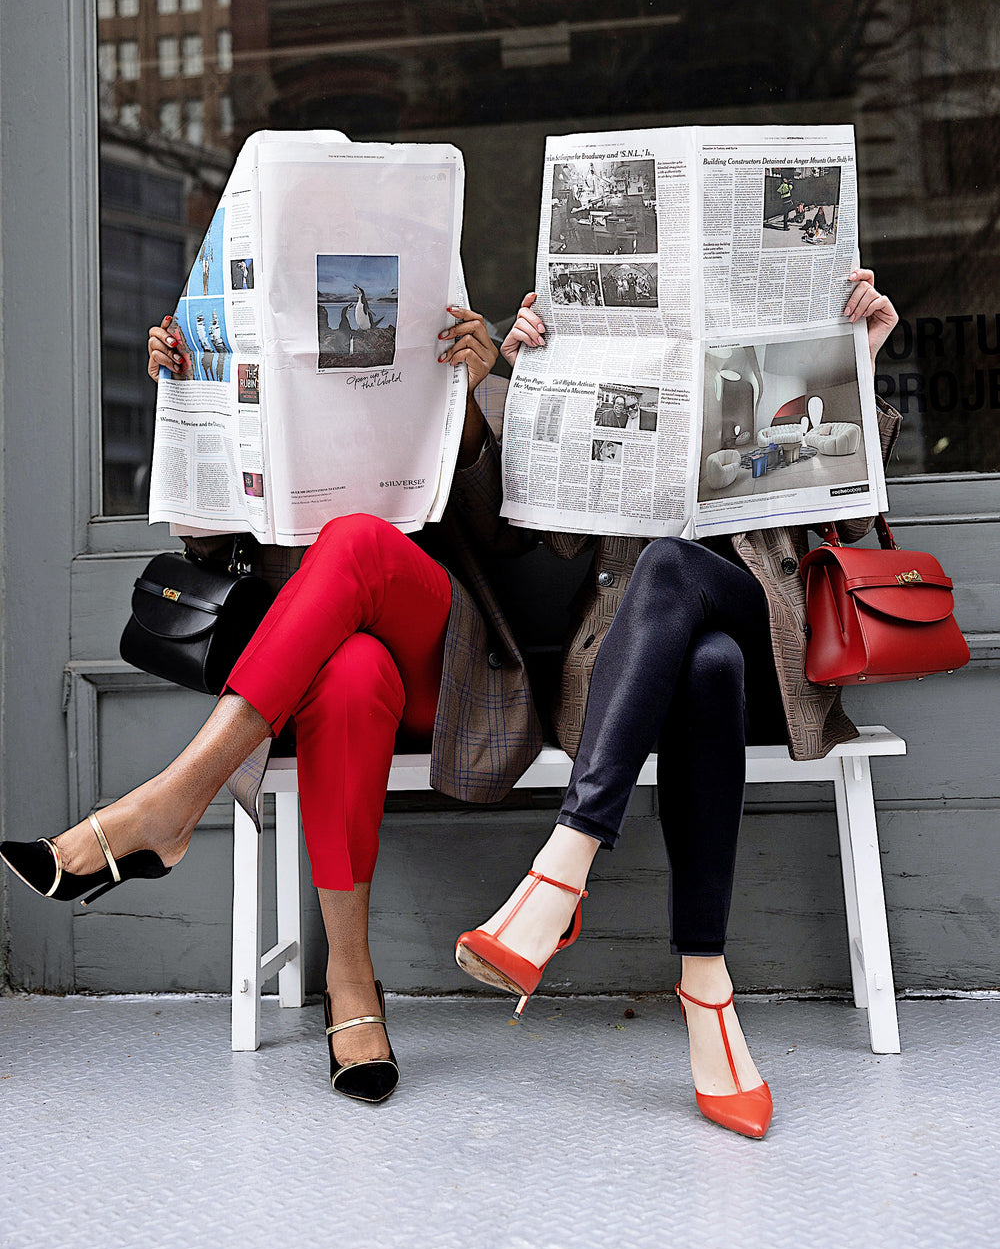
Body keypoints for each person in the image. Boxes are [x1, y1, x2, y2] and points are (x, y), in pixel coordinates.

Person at [1, 304, 542, 1105]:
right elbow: (206, 547)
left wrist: (470, 391)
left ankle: (170, 800)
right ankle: (350, 980)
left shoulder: (457, 338)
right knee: (351, 670)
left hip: (448, 662)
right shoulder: (260, 346)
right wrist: (185, 401)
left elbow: (509, 536)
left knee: (355, 541)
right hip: (314, 667)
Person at [455, 270, 900, 1140]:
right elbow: (522, 535)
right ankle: (706, 986)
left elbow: (856, 519)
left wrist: (859, 363)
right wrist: (524, 385)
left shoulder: (775, 384)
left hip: (777, 655)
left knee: (675, 573)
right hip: (641, 672)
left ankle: (565, 864)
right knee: (706, 664)